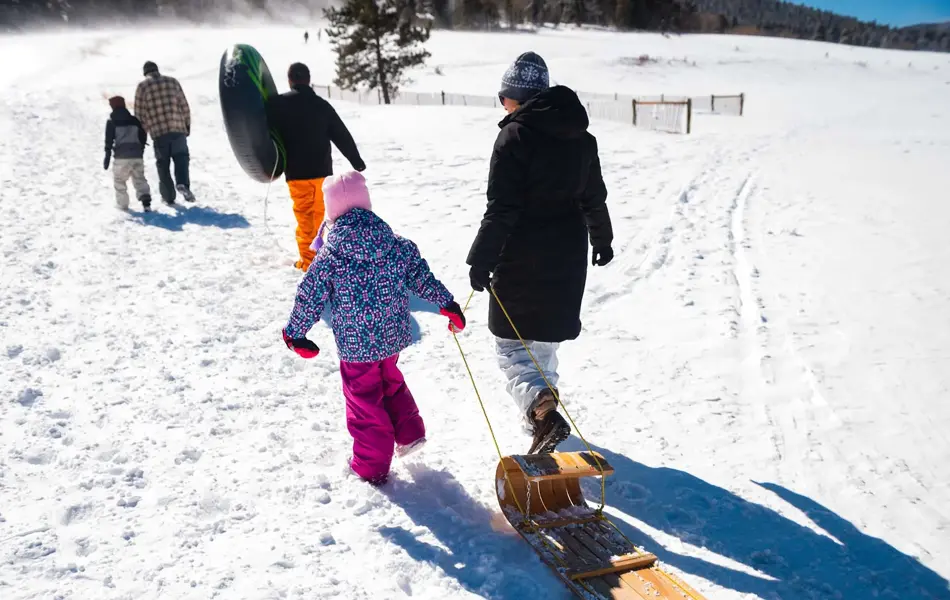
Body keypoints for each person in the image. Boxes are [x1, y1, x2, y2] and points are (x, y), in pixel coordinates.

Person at [466, 52, 614, 455]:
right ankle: (540, 420)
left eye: (504, 97)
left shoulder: (515, 137)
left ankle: (541, 410)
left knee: (513, 345)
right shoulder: (582, 139)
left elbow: (502, 208)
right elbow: (593, 198)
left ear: (517, 98)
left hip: (521, 256)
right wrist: (602, 239)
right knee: (543, 343)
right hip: (567, 257)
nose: (503, 105)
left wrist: (481, 259)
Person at [281, 171, 466, 485]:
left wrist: (295, 333)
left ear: (331, 211)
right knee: (390, 381)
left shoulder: (330, 256)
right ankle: (409, 433)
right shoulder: (395, 243)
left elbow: (309, 295)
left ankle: (371, 465)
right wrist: (447, 303)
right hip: (392, 336)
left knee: (365, 401)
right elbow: (421, 277)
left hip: (357, 346)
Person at [267, 62, 366, 272]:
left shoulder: (277, 104)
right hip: (322, 173)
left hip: (297, 174)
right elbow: (341, 134)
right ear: (308, 80)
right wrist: (356, 161)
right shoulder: (321, 105)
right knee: (320, 219)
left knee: (305, 219)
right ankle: (320, 260)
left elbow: (262, 131)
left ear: (290, 80)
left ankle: (309, 263)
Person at [134, 61, 194, 205]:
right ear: (157, 70)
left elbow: (139, 115)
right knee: (181, 159)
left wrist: (142, 135)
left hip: (159, 133)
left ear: (145, 73)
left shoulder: (143, 87)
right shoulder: (172, 82)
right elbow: (184, 106)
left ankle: (168, 196)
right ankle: (183, 184)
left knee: (163, 165)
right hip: (178, 129)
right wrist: (187, 126)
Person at [103, 96, 152, 212]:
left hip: (121, 157)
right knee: (139, 178)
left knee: (119, 180)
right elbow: (143, 135)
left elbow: (109, 141)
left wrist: (107, 156)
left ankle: (123, 205)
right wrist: (140, 150)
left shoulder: (111, 122)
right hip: (136, 155)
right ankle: (146, 202)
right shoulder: (135, 120)